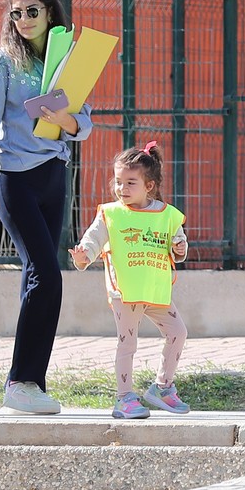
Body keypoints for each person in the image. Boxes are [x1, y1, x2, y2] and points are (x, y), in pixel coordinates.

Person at [0, 0, 93, 415]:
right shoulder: (2, 62)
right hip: (13, 176)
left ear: (50, 12)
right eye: (15, 13)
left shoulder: (67, 59)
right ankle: (21, 381)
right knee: (46, 273)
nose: (22, 20)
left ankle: (30, 382)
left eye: (31, 11)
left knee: (36, 278)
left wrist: (66, 118)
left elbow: (84, 124)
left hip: (53, 175)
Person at [71, 142, 192, 420]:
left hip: (156, 291)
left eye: (130, 182)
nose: (121, 188)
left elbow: (180, 246)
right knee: (128, 344)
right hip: (125, 294)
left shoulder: (168, 215)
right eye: (118, 181)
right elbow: (91, 241)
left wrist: (179, 248)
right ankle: (124, 398)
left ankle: (162, 388)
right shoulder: (111, 214)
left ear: (149, 186)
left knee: (178, 332)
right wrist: (82, 256)